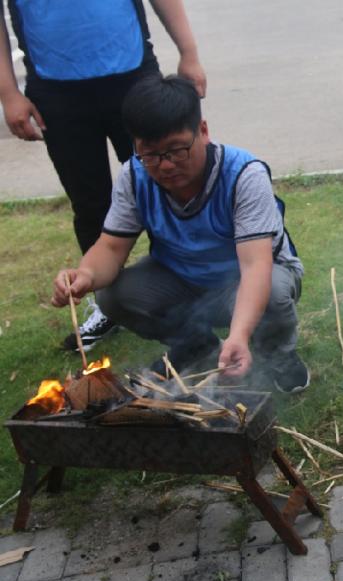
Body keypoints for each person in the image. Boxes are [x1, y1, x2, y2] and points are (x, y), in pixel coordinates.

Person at [50, 75, 310, 393]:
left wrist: (239, 335)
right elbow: (112, 247)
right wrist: (85, 275)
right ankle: (195, 344)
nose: (166, 165)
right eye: (151, 154)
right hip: (181, 279)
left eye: (176, 150)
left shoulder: (244, 175)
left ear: (203, 131)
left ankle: (277, 356)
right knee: (112, 295)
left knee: (271, 289)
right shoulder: (134, 175)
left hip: (243, 279)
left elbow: (256, 265)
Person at [0, 0, 206, 353]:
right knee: (90, 201)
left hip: (131, 73)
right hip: (56, 89)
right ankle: (108, 302)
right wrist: (8, 93)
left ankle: (201, 287)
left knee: (170, 183)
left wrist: (189, 52)